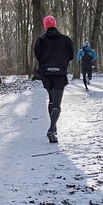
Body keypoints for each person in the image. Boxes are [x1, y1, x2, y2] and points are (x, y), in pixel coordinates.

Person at [33, 15, 74, 143]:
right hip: (60, 74)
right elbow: (71, 55)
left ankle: (53, 128)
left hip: (46, 74)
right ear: (55, 24)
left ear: (45, 26)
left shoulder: (40, 40)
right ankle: (52, 129)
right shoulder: (66, 40)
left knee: (51, 99)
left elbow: (37, 55)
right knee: (57, 103)